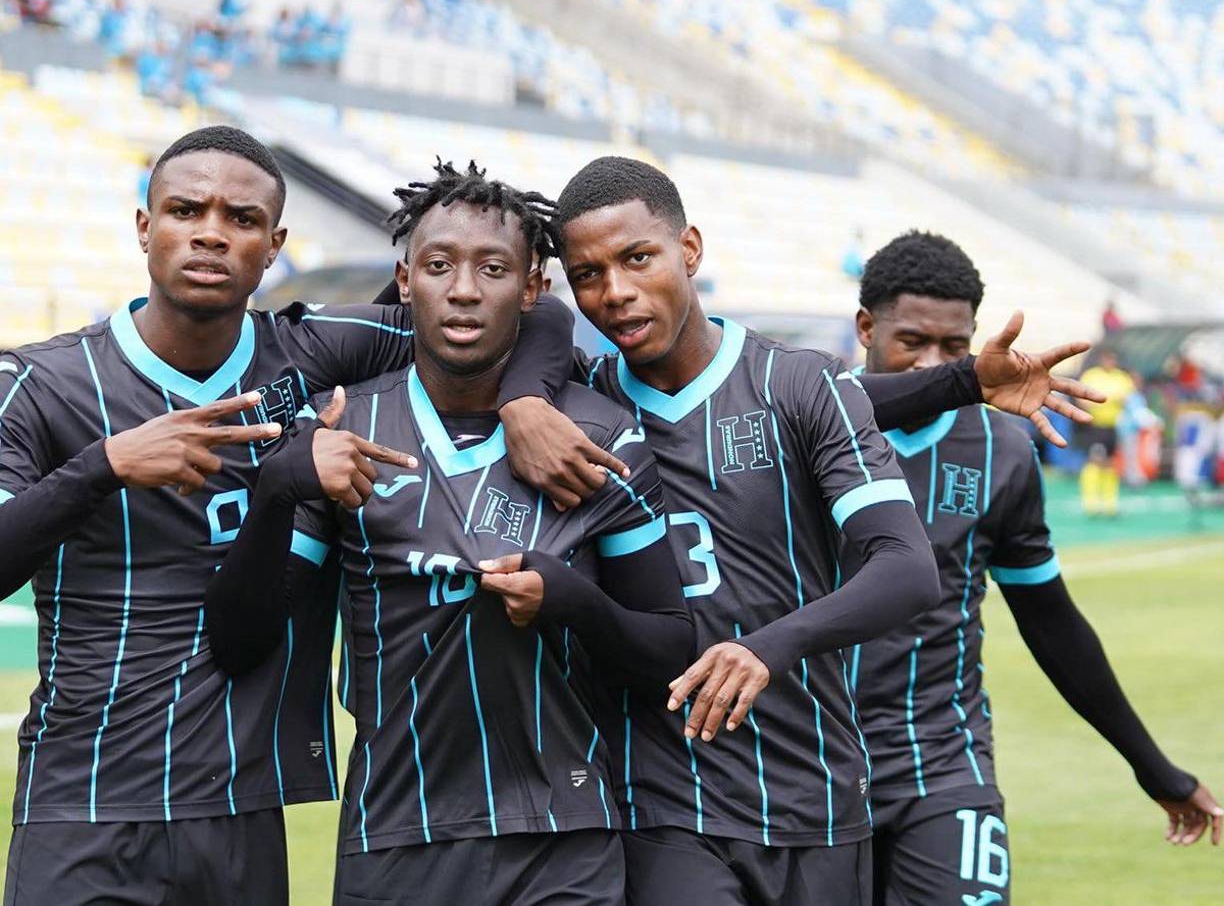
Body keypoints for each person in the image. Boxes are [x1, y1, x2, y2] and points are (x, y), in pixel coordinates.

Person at [0, 128, 601, 905]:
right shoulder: (41, 382)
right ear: (145, 227)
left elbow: (519, 311)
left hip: (243, 809)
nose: (211, 232)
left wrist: (523, 400)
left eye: (242, 218)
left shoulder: (308, 351)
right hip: (83, 802)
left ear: (274, 246)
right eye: (186, 210)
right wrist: (104, 465)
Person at [497, 156, 1104, 905]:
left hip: (814, 796)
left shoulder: (799, 385)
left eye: (638, 258)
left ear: (690, 249)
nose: (615, 292)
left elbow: (907, 568)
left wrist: (768, 646)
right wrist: (522, 398)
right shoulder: (576, 406)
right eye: (588, 275)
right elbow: (465, 320)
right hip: (658, 801)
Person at [203, 160, 695, 904]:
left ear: (531, 289)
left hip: (563, 846)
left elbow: (668, 654)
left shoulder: (599, 437)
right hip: (393, 842)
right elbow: (239, 640)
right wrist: (278, 488)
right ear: (406, 282)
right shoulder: (344, 428)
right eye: (438, 266)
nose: (464, 289)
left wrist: (573, 602)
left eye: (493, 269)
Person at [849, 230, 1221, 905]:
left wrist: (1152, 766)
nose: (934, 364)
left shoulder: (1002, 452)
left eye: (955, 349)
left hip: (941, 765)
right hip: (806, 770)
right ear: (866, 328)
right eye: (912, 342)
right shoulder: (802, 420)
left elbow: (1053, 625)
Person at [1078, 348, 1134, 516]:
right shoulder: (1091, 376)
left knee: (1110, 463)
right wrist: (1105, 401)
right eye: (1107, 358)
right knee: (1094, 461)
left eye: (1112, 358)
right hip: (1095, 425)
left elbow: (1126, 399)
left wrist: (1107, 400)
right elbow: (1082, 399)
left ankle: (1110, 504)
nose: (1109, 362)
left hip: (1113, 426)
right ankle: (1091, 503)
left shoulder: (1122, 377)